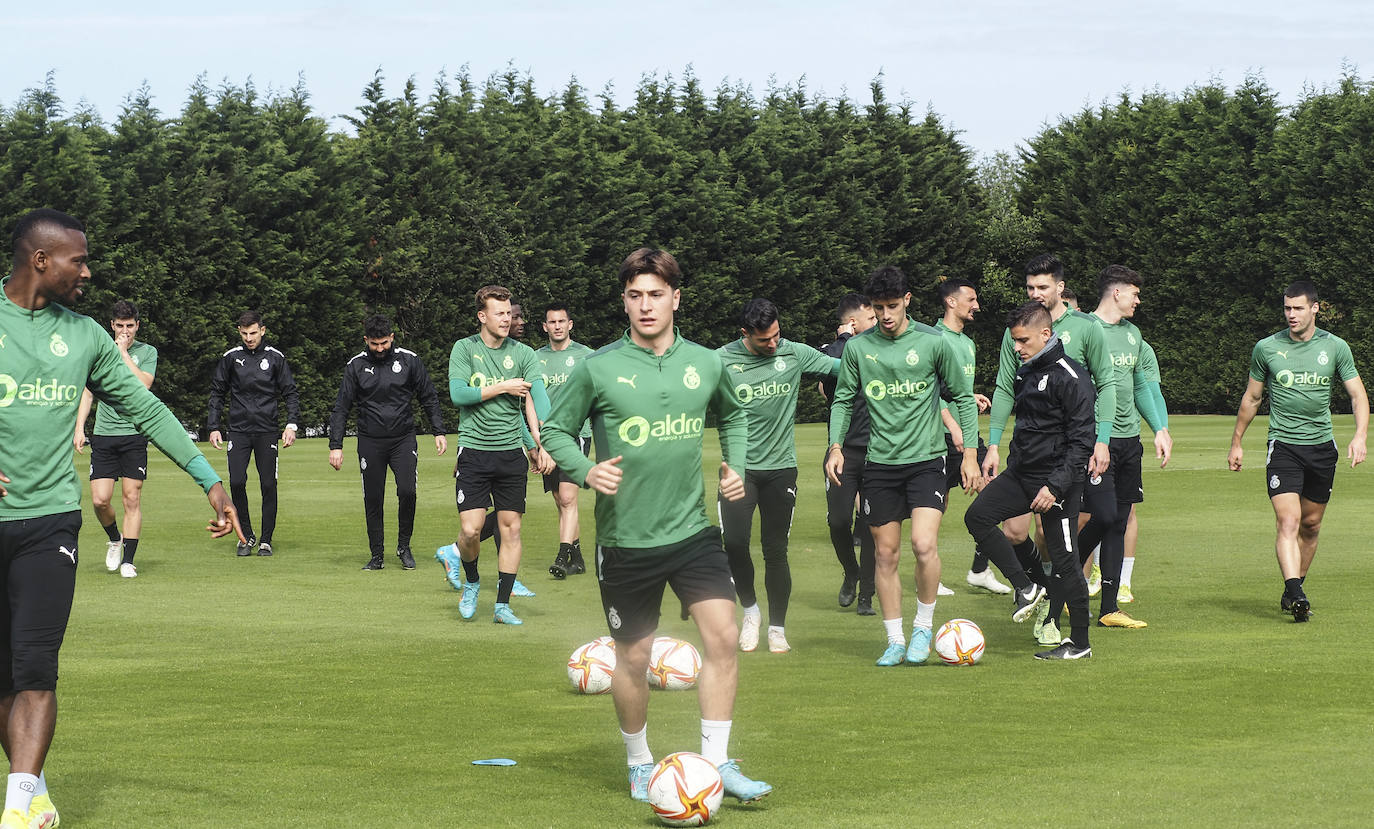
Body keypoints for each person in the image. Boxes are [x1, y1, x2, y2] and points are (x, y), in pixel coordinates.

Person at [0, 208, 241, 829]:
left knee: (35, 665)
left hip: (50, 520)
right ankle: (36, 793)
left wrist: (209, 479)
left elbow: (146, 408)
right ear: (40, 260)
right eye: (77, 260)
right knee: (2, 673)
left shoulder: (84, 336)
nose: (88, 271)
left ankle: (17, 808)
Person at [541, 247, 770, 804]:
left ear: (675, 298)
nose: (646, 306)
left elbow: (735, 413)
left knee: (722, 637)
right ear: (624, 301)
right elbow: (552, 432)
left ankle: (715, 763)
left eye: (656, 294)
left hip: (693, 533)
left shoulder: (708, 362)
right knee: (635, 658)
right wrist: (585, 469)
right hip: (627, 542)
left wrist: (735, 464)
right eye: (635, 296)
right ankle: (640, 762)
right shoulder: (597, 368)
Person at [825, 265, 980, 667]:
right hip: (879, 466)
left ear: (907, 300)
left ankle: (924, 628)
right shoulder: (859, 349)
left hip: (927, 461)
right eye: (878, 308)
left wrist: (970, 454)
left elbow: (962, 397)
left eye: (892, 306)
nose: (886, 315)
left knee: (924, 545)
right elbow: (842, 399)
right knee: (886, 555)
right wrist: (835, 446)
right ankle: (895, 639)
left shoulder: (933, 342)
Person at [983, 254, 1118, 643]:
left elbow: (1105, 384)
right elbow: (1005, 389)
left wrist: (1102, 439)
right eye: (1030, 287)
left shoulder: (1086, 328)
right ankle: (1037, 589)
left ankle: (1054, 616)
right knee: (1012, 530)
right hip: (1027, 455)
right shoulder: (1019, 331)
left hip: (1072, 448)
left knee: (1059, 535)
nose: (1036, 293)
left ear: (1060, 287)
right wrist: (993, 444)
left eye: (1043, 287)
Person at [963, 301, 1096, 659]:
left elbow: (1082, 442)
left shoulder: (1072, 377)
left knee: (1066, 561)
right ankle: (1026, 587)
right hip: (1021, 475)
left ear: (1045, 334)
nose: (1017, 348)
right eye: (1014, 341)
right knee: (977, 517)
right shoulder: (1027, 371)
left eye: (1022, 341)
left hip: (1057, 485)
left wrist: (1054, 486)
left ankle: (1080, 644)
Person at [1229, 281, 1367, 622]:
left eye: (1298, 308)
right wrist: (1236, 442)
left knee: (1311, 525)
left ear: (1314, 308)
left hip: (1322, 447)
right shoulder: (1267, 348)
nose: (1291, 314)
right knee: (1287, 519)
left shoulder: (1336, 347)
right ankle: (1296, 592)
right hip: (1284, 446)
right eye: (1287, 308)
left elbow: (1357, 395)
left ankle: (1294, 588)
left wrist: (1360, 435)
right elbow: (1252, 397)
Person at [1052, 266, 1171, 639]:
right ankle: (1063, 583)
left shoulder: (1134, 336)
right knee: (1099, 518)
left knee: (1118, 520)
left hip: (1127, 441)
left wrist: (1159, 429)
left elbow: (1141, 387)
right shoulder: (1084, 330)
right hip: (1093, 442)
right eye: (1134, 293)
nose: (1138, 300)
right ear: (1116, 293)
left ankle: (1108, 609)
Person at [717, 298, 838, 654]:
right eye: (764, 340)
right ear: (745, 334)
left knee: (776, 550)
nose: (773, 344)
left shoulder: (794, 353)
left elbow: (843, 367)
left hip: (781, 468)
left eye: (776, 336)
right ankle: (751, 612)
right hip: (738, 470)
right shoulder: (720, 360)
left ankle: (777, 628)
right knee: (735, 544)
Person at [435, 285, 551, 625]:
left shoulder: (525, 354)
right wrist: (503, 386)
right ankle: (471, 582)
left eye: (509, 313)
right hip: (473, 451)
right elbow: (459, 394)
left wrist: (540, 444)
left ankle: (502, 605)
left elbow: (537, 400)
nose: (507, 318)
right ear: (482, 317)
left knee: (511, 530)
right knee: (471, 530)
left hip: (510, 454)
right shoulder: (464, 349)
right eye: (499, 313)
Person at [328, 314, 447, 570]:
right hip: (370, 442)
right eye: (374, 344)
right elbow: (341, 407)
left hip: (403, 439)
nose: (380, 349)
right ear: (366, 340)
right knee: (373, 498)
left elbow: (428, 396)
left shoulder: (409, 360)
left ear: (392, 337)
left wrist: (438, 431)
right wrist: (335, 445)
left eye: (384, 343)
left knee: (407, 491)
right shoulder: (356, 366)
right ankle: (377, 554)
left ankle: (404, 547)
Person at [933, 278, 1008, 595]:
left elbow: (954, 390)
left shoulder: (967, 343)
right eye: (972, 299)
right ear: (952, 302)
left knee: (995, 496)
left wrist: (970, 397)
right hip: (937, 437)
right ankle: (930, 576)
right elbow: (929, 393)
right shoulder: (933, 339)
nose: (977, 305)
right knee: (936, 508)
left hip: (967, 435)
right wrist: (952, 426)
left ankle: (980, 569)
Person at [72, 300, 157, 579]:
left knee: (131, 498)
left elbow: (143, 383)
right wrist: (79, 427)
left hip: (134, 434)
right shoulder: (98, 351)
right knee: (99, 500)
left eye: (130, 326)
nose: (125, 331)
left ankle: (128, 561)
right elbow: (88, 392)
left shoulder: (147, 352)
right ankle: (114, 538)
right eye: (119, 326)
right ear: (112, 325)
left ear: (137, 326)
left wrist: (122, 352)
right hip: (105, 435)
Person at [207, 310, 301, 557]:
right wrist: (214, 426)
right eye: (245, 333)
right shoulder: (231, 358)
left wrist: (291, 425)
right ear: (239, 331)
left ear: (262, 330)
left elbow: (290, 392)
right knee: (237, 482)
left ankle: (266, 540)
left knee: (268, 484)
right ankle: (246, 536)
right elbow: (217, 392)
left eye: (253, 333)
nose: (249, 338)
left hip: (267, 431)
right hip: (238, 431)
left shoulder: (275, 358)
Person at [818, 294, 878, 615]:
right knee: (839, 521)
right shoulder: (831, 350)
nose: (877, 323)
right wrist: (844, 337)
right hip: (842, 452)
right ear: (853, 323)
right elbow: (829, 375)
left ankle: (867, 592)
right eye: (871, 318)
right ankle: (851, 572)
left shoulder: (878, 349)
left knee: (871, 523)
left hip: (878, 451)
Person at [536, 303, 595, 578]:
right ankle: (579, 557)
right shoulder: (534, 358)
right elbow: (531, 401)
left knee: (569, 497)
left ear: (570, 324)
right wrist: (537, 442)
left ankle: (562, 557)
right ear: (544, 326)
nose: (557, 326)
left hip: (576, 434)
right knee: (561, 500)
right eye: (552, 322)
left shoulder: (587, 356)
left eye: (562, 321)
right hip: (547, 438)